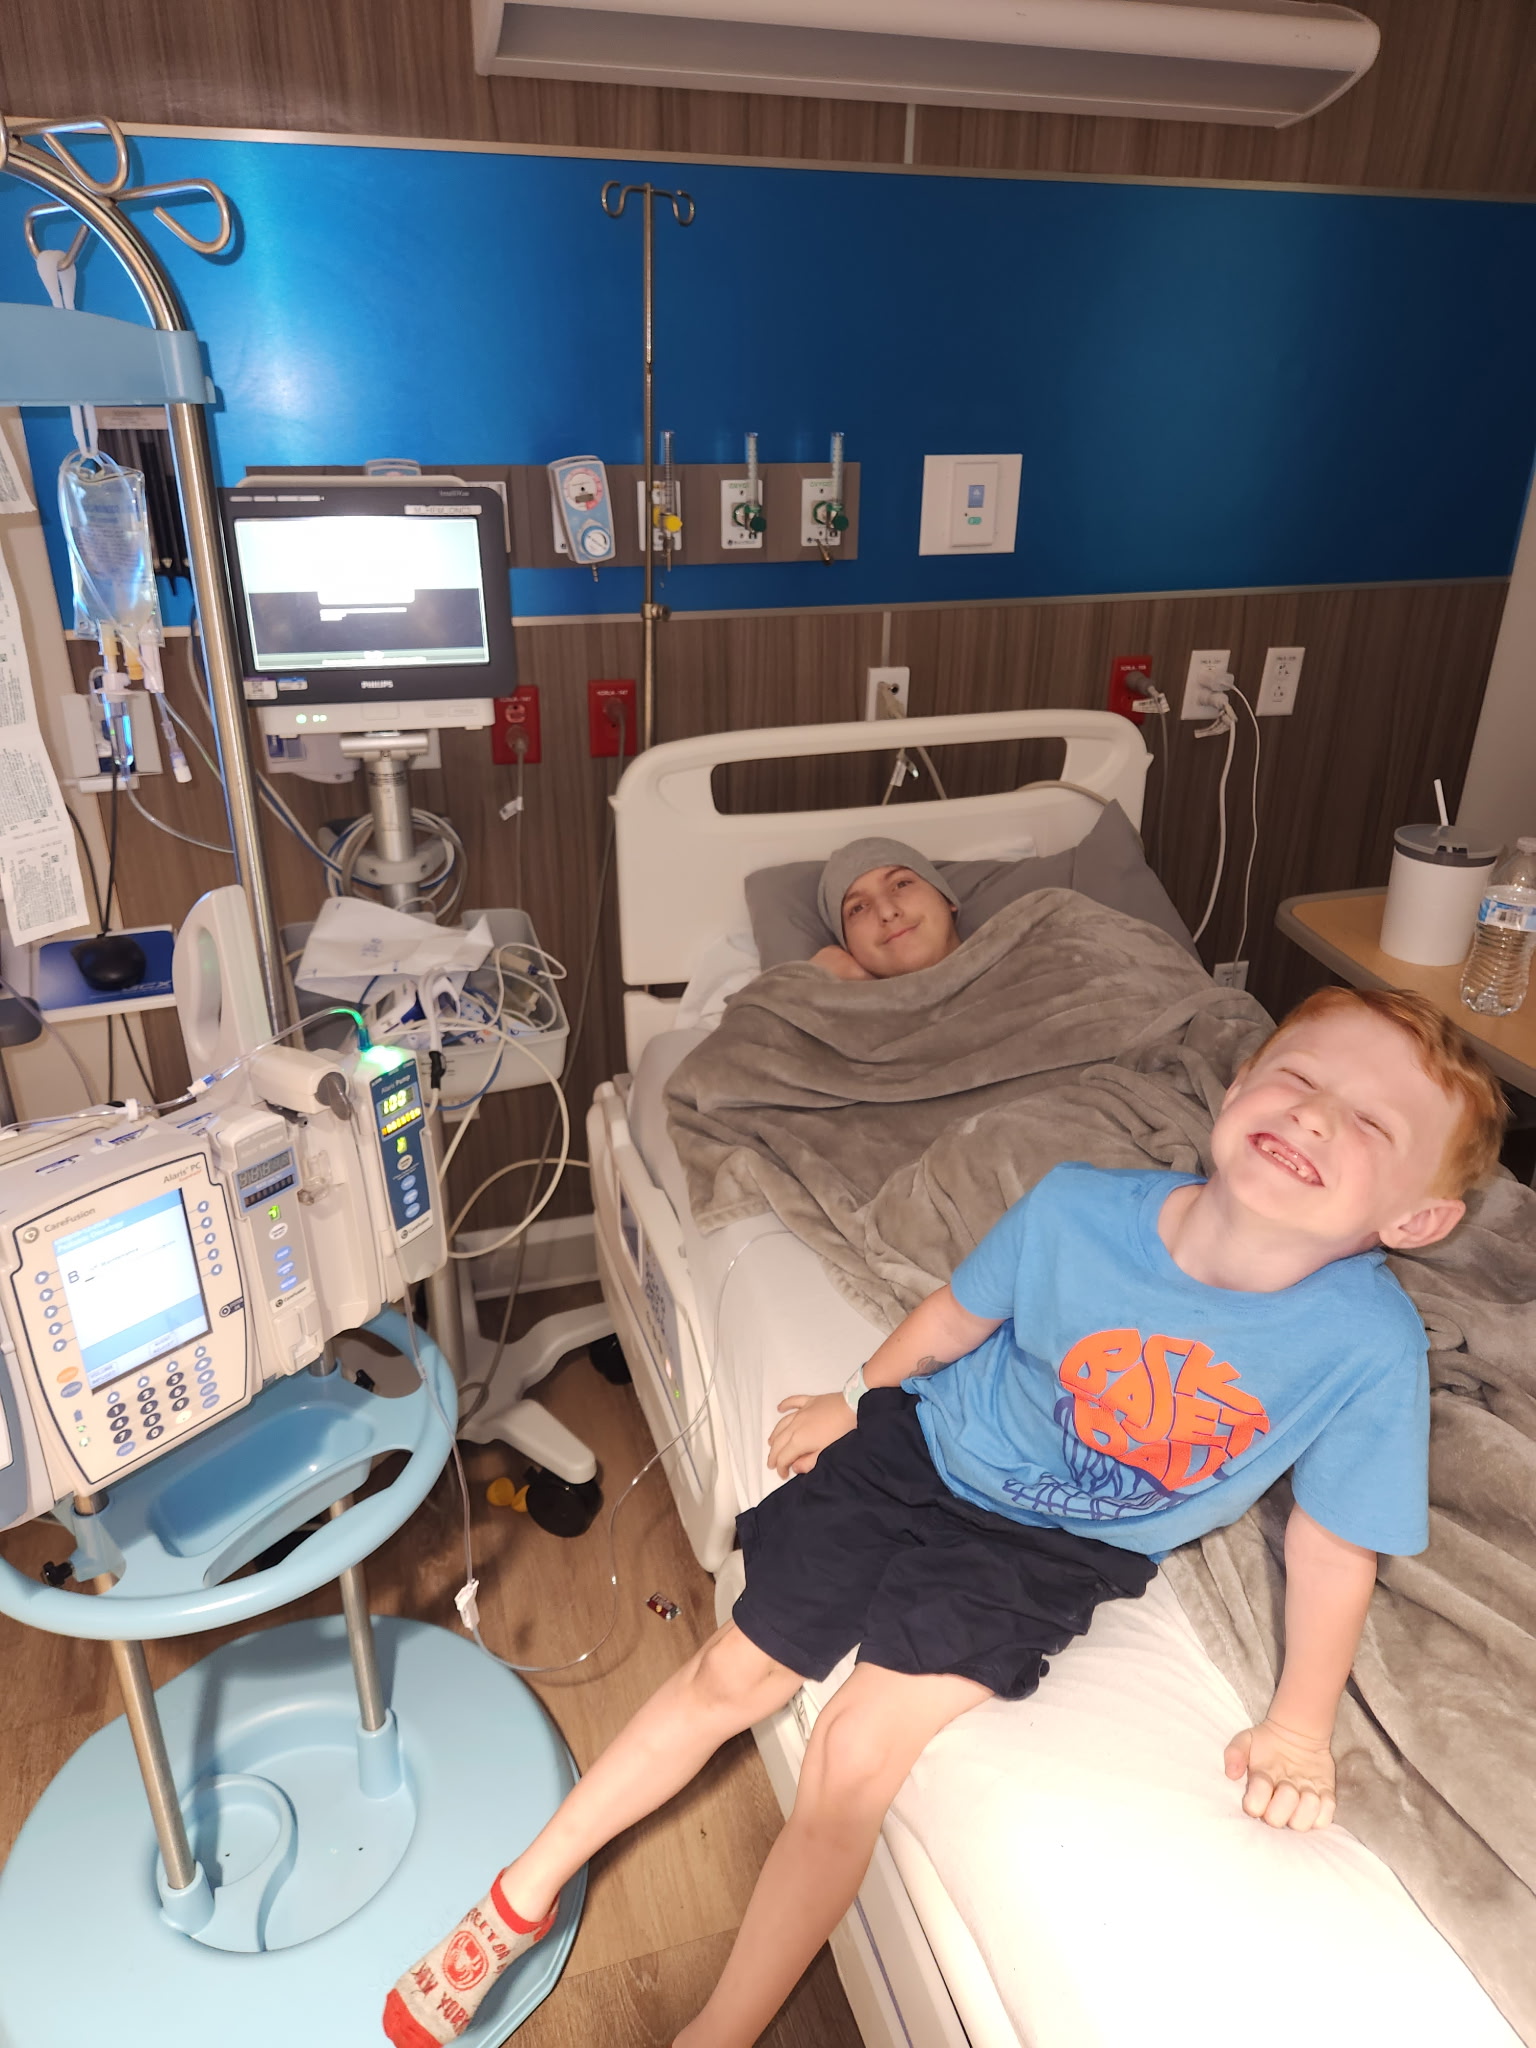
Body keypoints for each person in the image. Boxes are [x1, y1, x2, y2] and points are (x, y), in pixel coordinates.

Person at [381, 985, 1506, 2048]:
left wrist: (1299, 1726)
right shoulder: (1074, 1207)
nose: (1314, 1113)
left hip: (1055, 1548)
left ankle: (714, 2033)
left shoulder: (1368, 1345)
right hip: (920, 1449)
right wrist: (856, 1397)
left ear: (1417, 1217)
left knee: (855, 1750)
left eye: (1370, 1121)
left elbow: (1333, 1540)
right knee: (733, 1671)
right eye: (1298, 1076)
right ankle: (522, 1892)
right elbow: (955, 1316)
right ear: (1240, 1085)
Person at [807, 836, 961, 981]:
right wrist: (809, 983)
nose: (887, 912)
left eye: (901, 884)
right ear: (849, 948)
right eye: (858, 908)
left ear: (946, 897)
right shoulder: (810, 996)